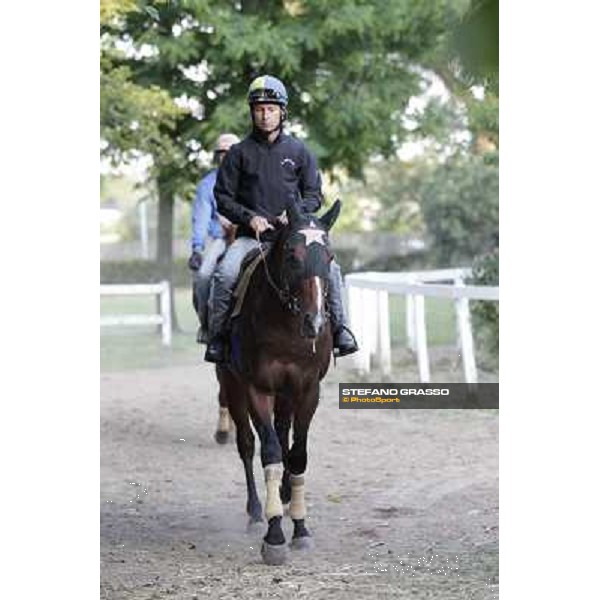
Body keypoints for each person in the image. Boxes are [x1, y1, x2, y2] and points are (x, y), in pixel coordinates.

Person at [204, 75, 358, 363]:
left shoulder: (299, 151)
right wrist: (250, 219)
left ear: (282, 112)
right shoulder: (238, 154)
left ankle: (341, 330)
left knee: (333, 271)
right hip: (252, 239)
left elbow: (314, 194)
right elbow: (223, 198)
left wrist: (295, 214)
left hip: (293, 239)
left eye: (271, 109)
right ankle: (218, 338)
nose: (265, 115)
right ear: (252, 112)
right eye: (259, 109)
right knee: (224, 274)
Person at [188, 133, 240, 344]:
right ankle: (206, 325)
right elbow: (200, 219)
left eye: (230, 152)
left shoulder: (252, 179)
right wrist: (197, 248)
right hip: (220, 238)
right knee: (203, 275)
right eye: (221, 152)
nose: (225, 156)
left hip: (249, 236)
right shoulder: (207, 185)